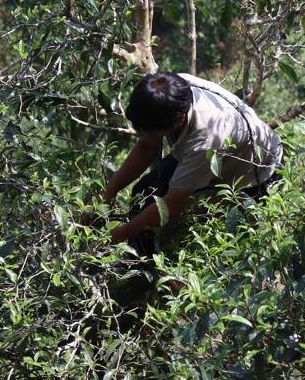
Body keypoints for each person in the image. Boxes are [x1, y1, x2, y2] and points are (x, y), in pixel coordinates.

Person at [97, 71, 283, 248]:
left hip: (255, 176)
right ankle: (144, 263)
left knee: (232, 243)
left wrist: (116, 236)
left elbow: (170, 204)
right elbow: (147, 145)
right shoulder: (172, 89)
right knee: (145, 192)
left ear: (178, 121)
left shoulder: (206, 140)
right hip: (217, 152)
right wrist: (108, 193)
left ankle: (147, 272)